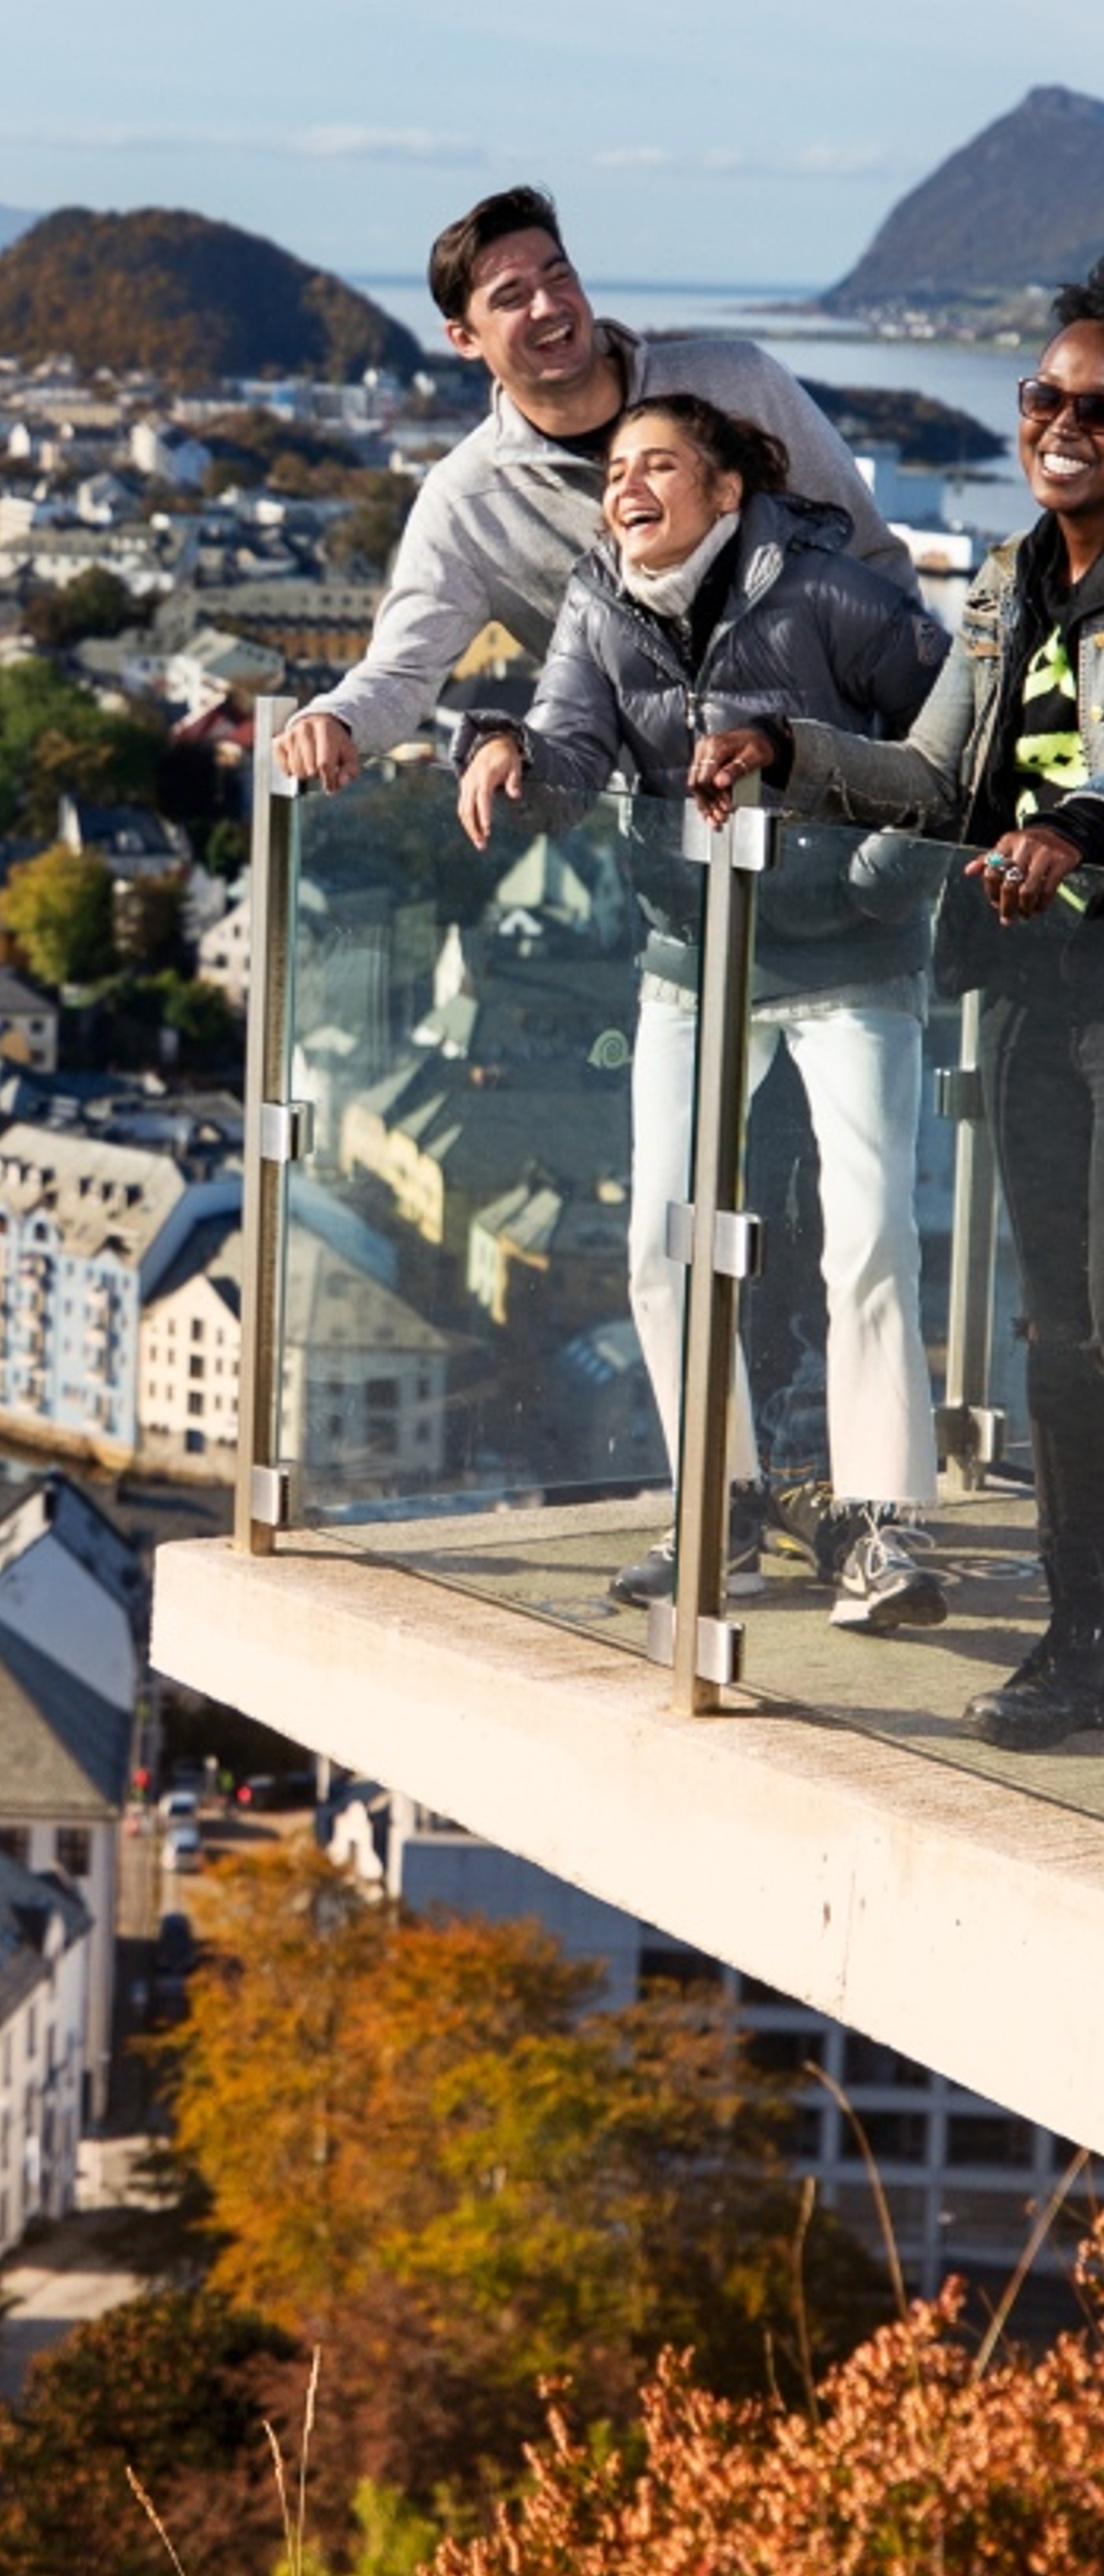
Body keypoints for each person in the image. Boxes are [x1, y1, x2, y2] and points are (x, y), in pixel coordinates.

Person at [690, 266, 1104, 1746]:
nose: (1060, 425)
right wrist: (778, 746)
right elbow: (933, 781)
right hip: (1040, 1004)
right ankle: (1078, 1637)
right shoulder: (1002, 585)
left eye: (1094, 408)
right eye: (1041, 397)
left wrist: (1076, 832)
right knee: (1060, 1330)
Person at [458, 393, 952, 1629]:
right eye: (615, 469)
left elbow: (956, 745)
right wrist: (505, 747)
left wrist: (875, 876)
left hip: (851, 952)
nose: (625, 487)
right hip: (698, 948)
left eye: (657, 465)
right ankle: (718, 1511)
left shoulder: (836, 593)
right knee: (665, 1239)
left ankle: (884, 1526)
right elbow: (574, 753)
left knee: (871, 1233)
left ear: (726, 491)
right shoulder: (600, 599)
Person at [274, 185, 914, 796]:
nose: (549, 307)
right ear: (463, 340)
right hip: (675, 851)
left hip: (847, 818)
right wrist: (336, 719)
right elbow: (404, 669)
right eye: (511, 296)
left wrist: (905, 778)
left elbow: (877, 567)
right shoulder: (466, 501)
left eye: (559, 277)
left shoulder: (740, 383)